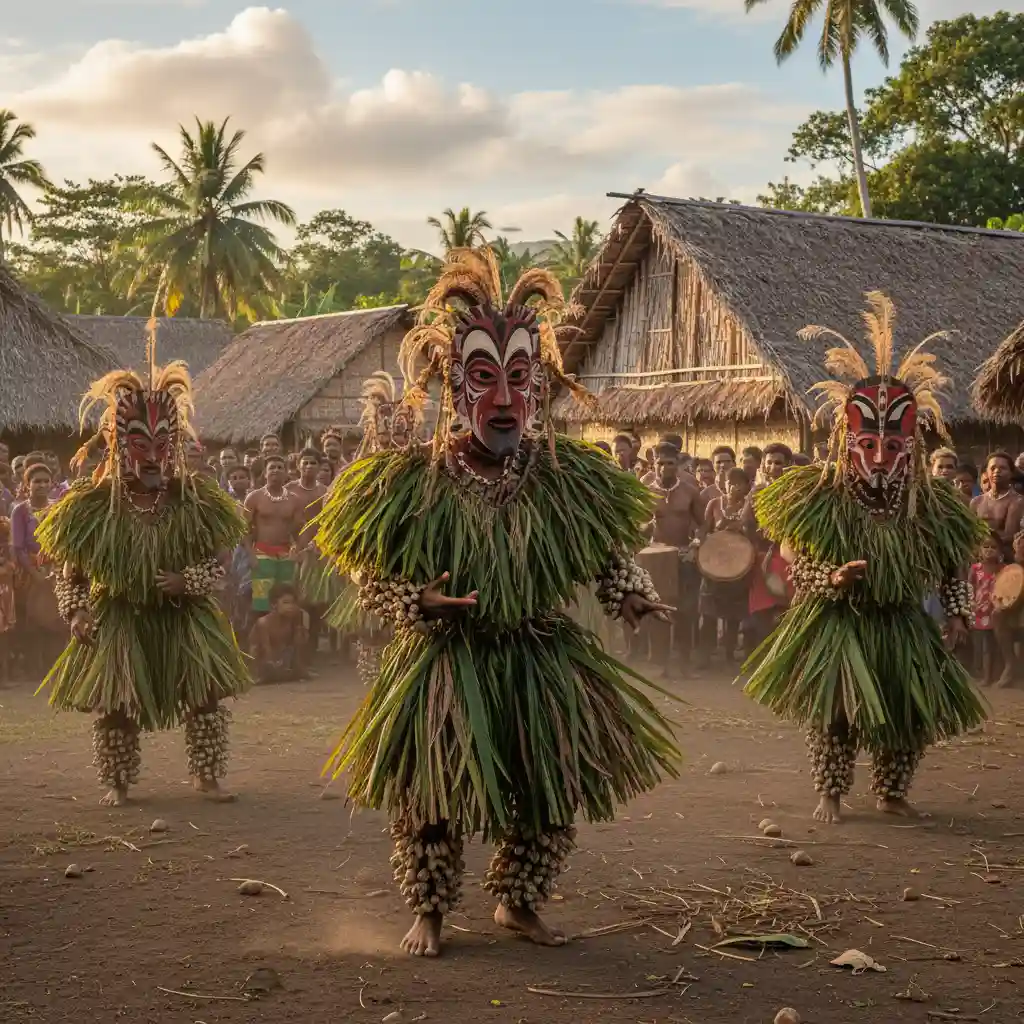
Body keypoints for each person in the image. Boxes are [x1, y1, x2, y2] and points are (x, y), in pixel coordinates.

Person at [316, 247, 679, 959]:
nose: (506, 400)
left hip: (540, 657)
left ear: (540, 388)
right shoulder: (408, 485)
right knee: (430, 800)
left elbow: (607, 556)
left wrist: (631, 596)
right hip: (447, 664)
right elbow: (369, 577)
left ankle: (518, 903)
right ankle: (430, 911)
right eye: (486, 379)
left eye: (521, 378)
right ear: (454, 385)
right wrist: (416, 598)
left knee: (550, 790)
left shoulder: (567, 479)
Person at [743, 293, 986, 824]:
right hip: (839, 622)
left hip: (902, 623)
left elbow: (952, 565)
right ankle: (830, 790)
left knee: (908, 710)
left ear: (914, 441)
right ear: (845, 436)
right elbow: (791, 558)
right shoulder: (816, 497)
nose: (879, 456)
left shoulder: (934, 506)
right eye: (868, 440)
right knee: (835, 712)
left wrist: (960, 609)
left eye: (893, 443)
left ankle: (891, 791)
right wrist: (830, 576)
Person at [36, 334, 251, 806]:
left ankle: (207, 776)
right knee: (115, 704)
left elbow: (220, 564)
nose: (152, 456)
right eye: (140, 443)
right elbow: (69, 574)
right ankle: (117, 782)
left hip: (182, 617)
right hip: (120, 618)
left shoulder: (195, 501)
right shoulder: (91, 509)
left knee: (204, 693)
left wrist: (186, 582)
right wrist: (76, 615)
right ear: (115, 443)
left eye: (162, 443)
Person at [647, 441, 704, 672]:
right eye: (660, 464)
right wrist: (644, 526)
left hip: (683, 555)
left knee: (686, 609)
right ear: (654, 463)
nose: (664, 468)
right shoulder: (645, 491)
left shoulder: (690, 491)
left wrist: (696, 545)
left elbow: (702, 525)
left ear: (677, 465)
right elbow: (635, 525)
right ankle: (660, 660)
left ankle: (683, 660)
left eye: (669, 464)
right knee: (657, 608)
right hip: (656, 556)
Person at [693, 466, 752, 666]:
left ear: (746, 487)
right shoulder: (714, 503)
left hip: (740, 565)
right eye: (729, 482)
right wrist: (698, 544)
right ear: (723, 484)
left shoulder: (750, 505)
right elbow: (703, 529)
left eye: (738, 483)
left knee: (734, 613)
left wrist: (742, 526)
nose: (733, 486)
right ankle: (705, 653)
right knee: (708, 611)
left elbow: (752, 532)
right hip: (714, 564)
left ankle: (729, 652)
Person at [745, 443, 795, 653]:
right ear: (763, 466)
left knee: (788, 613)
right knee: (762, 615)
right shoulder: (757, 492)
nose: (774, 467)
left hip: (790, 558)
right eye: (770, 463)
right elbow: (746, 523)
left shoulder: (797, 491)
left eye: (779, 463)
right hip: (763, 559)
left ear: (789, 465)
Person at [244, 453, 305, 617]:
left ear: (286, 473)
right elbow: (244, 529)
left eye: (280, 467)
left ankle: (285, 640)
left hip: (286, 554)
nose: (276, 470)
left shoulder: (294, 500)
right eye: (272, 467)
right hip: (262, 553)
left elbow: (300, 530)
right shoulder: (254, 497)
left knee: (286, 600)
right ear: (265, 473)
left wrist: (297, 549)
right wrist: (250, 554)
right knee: (261, 602)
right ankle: (259, 639)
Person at [249, 583, 310, 683]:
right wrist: (273, 664)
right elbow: (265, 649)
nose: (290, 607)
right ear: (274, 604)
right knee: (269, 669)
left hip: (283, 659)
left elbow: (298, 645)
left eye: (293, 603)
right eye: (285, 603)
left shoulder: (294, 619)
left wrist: (300, 626)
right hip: (265, 660)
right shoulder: (263, 623)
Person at [971, 453, 1023, 559]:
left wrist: (983, 543)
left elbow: (1010, 535)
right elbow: (969, 531)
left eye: (1002, 468)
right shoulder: (976, 502)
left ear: (1011, 473)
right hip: (978, 559)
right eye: (993, 468)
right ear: (986, 472)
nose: (997, 471)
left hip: (1005, 560)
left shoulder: (1017, 501)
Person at [969, 532, 1001, 686]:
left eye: (993, 547)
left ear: (1000, 551)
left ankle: (989, 676)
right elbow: (970, 587)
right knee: (981, 643)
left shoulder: (1004, 569)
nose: (989, 550)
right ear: (979, 550)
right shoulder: (975, 568)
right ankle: (982, 674)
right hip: (978, 611)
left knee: (991, 643)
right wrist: (971, 604)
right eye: (986, 546)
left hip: (995, 611)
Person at [0, 517, 15, 681]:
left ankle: (4, 675)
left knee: (4, 637)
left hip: (5, 594)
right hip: (5, 593)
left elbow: (11, 569)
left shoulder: (8, 549)